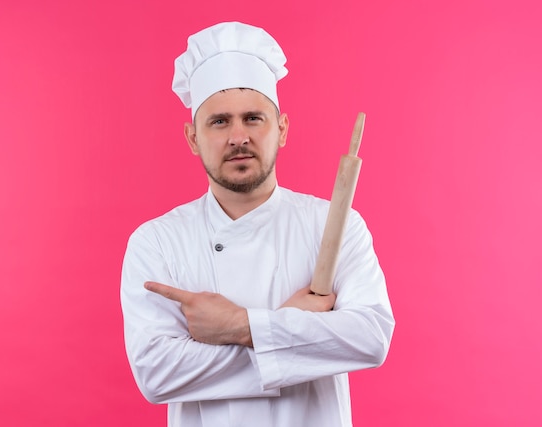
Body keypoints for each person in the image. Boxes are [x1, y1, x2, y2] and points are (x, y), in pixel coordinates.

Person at [120, 21, 394, 427]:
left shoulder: (332, 225)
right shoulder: (157, 242)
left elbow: (370, 338)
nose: (238, 136)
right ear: (192, 137)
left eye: (253, 118)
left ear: (281, 129)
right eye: (218, 122)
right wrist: (294, 328)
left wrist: (238, 325)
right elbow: (157, 374)